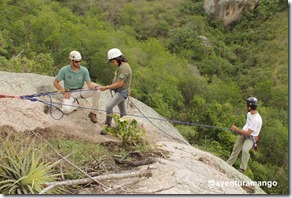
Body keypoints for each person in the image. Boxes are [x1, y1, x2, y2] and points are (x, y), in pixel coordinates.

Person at [53, 50, 100, 123]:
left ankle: (93, 113)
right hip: (70, 93)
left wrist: (93, 87)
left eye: (80, 61)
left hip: (81, 90)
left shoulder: (84, 70)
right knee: (65, 110)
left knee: (97, 90)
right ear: (71, 61)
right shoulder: (64, 70)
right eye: (76, 61)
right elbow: (55, 82)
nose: (78, 63)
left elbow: (89, 83)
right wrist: (63, 93)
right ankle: (75, 105)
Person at [98, 48, 132, 135]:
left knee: (109, 107)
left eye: (113, 62)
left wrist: (106, 87)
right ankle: (122, 126)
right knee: (122, 108)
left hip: (122, 91)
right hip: (119, 90)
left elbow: (119, 84)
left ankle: (107, 126)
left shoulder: (124, 68)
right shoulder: (122, 66)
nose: (113, 64)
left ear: (117, 59)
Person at [226, 96, 263, 173]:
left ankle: (242, 168)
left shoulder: (256, 119)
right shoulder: (249, 114)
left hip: (251, 137)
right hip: (244, 132)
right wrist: (240, 131)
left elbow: (249, 133)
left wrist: (236, 129)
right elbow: (247, 125)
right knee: (236, 148)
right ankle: (228, 164)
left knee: (245, 149)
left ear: (249, 107)